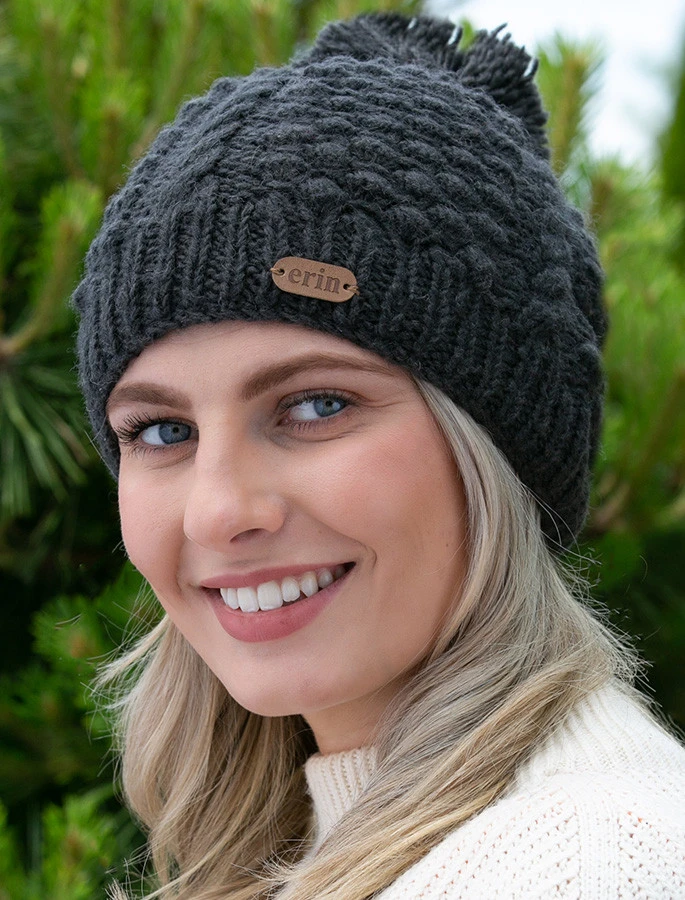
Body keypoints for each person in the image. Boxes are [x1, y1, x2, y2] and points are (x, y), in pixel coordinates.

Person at [73, 12, 685, 899]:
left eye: (316, 406)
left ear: (495, 445)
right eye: (162, 431)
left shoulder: (582, 865)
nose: (218, 511)